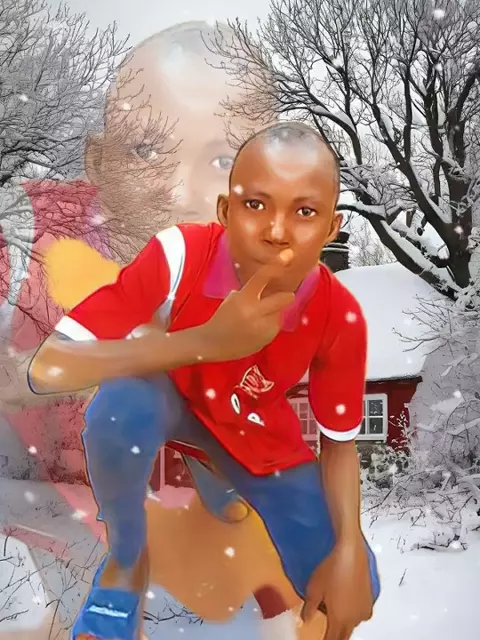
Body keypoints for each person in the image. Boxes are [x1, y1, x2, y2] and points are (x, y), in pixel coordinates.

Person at [29, 121, 381, 640]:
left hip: (249, 427)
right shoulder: (180, 256)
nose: (277, 231)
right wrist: (205, 343)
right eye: (256, 204)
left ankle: (217, 471)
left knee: (355, 583)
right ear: (225, 210)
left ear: (332, 228)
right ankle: (127, 560)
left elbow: (340, 444)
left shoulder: (339, 315)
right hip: (167, 395)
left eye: (304, 212)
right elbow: (48, 367)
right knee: (119, 410)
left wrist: (349, 546)